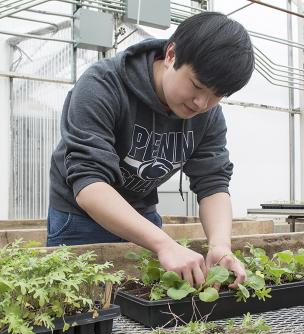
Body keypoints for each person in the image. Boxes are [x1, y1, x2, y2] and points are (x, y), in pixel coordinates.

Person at [47, 11, 255, 289]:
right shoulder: (103, 85)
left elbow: (213, 182)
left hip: (142, 212)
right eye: (197, 85)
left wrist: (220, 245)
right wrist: (163, 243)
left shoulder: (208, 115)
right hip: (80, 218)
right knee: (75, 311)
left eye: (216, 95)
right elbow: (89, 184)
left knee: (148, 308)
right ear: (171, 55)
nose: (201, 103)